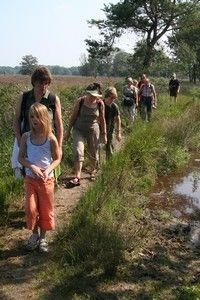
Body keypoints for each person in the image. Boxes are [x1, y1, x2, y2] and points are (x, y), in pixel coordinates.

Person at [18, 103, 61, 252]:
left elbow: (57, 158)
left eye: (37, 116)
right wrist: (32, 166)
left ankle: (43, 238)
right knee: (31, 209)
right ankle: (34, 235)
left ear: (44, 118)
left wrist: (48, 169)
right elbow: (21, 158)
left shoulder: (50, 138)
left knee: (45, 210)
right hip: (30, 179)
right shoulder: (26, 137)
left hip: (46, 180)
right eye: (31, 116)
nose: (34, 119)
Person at [13, 66, 63, 180]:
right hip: (28, 141)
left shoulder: (53, 98)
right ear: (34, 82)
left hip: (48, 142)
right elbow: (16, 120)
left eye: (47, 83)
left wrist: (59, 146)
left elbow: (59, 125)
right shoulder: (24, 97)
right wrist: (20, 140)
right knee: (28, 173)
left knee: (48, 174)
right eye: (41, 83)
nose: (44, 86)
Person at [65, 82, 107, 187]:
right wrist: (68, 131)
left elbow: (102, 119)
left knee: (93, 152)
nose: (93, 97)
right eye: (91, 95)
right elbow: (73, 117)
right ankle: (77, 175)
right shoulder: (80, 101)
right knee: (78, 150)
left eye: (95, 95)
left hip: (93, 130)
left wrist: (104, 134)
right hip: (78, 129)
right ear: (88, 93)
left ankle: (93, 170)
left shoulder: (100, 104)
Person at [103, 87, 122, 159]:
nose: (113, 100)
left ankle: (109, 163)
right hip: (100, 128)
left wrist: (118, 133)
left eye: (114, 98)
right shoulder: (100, 104)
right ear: (106, 96)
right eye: (111, 98)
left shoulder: (114, 106)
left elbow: (118, 119)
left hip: (110, 129)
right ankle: (97, 165)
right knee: (98, 146)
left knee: (109, 144)